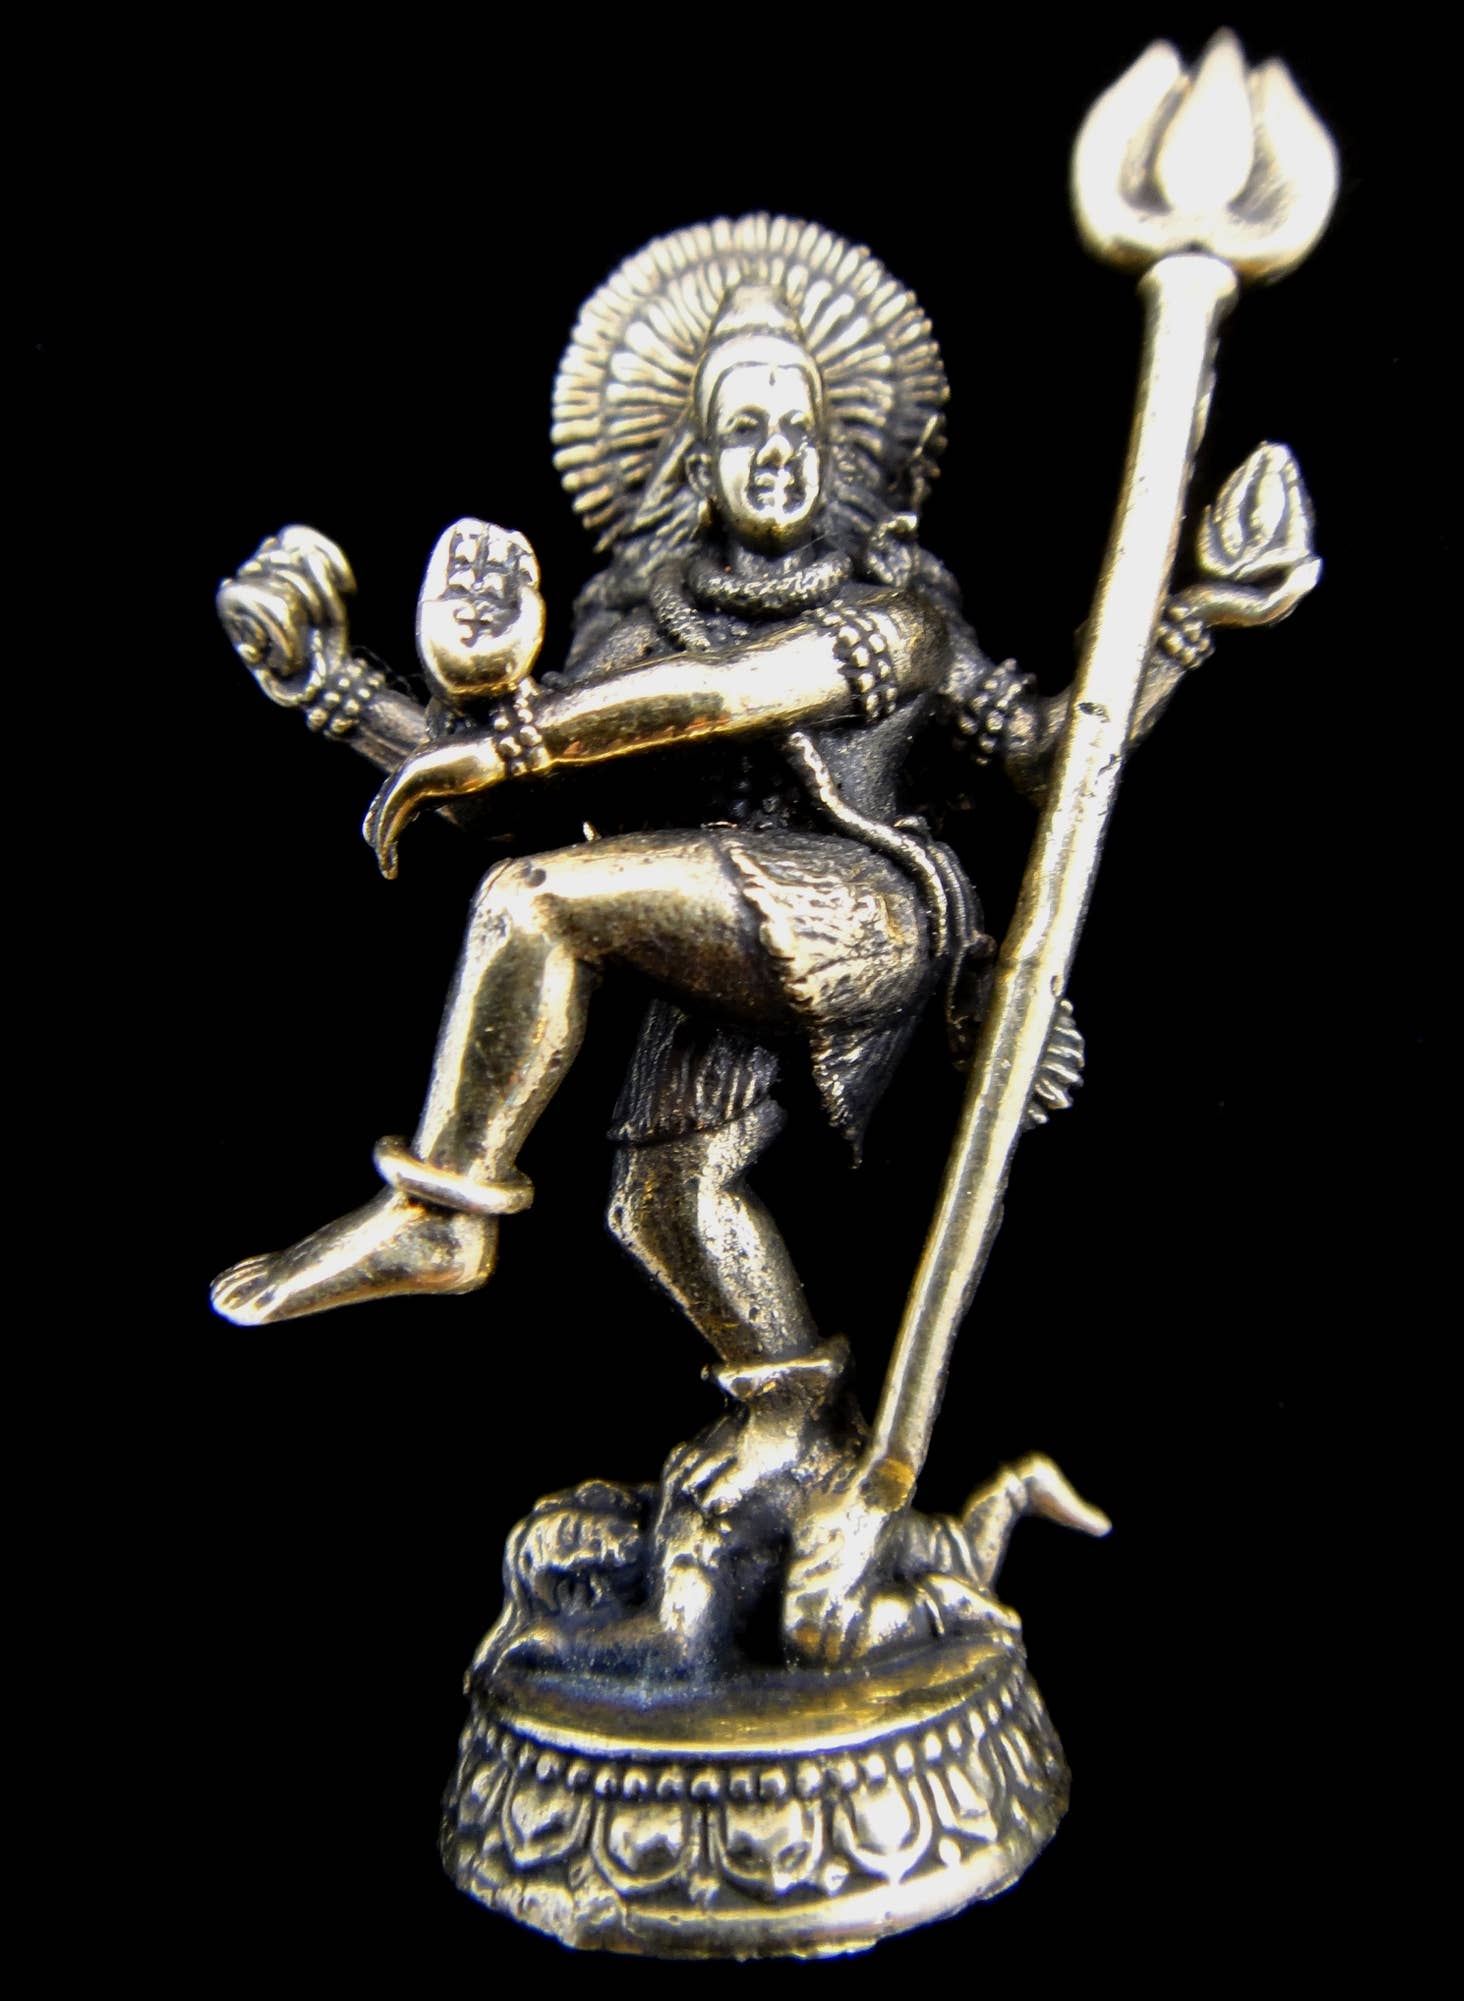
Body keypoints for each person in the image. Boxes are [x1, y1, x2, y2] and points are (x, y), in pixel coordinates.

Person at [211, 222, 1192, 1666]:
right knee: (663, 1201)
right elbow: (519, 801)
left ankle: (441, 1212)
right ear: (694, 459)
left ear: (840, 450)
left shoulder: (898, 608)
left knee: (537, 905)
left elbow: (829, 712)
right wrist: (334, 691)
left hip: (867, 906)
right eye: (744, 428)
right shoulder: (637, 613)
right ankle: (786, 1415)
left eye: (799, 425)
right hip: (715, 920)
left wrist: (1190, 623)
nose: (777, 451)